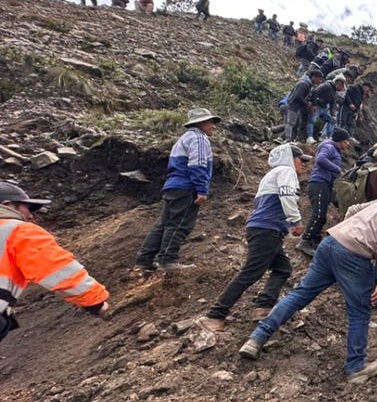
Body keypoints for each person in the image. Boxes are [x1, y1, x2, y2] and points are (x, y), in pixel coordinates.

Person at [238, 198, 377, 386]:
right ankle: (356, 367)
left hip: (330, 243)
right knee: (360, 310)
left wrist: (349, 232)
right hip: (353, 256)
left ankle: (256, 339)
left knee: (299, 294)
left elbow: (352, 209)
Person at [196, 144, 311, 332]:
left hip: (263, 228)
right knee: (251, 272)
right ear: (290, 159)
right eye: (301, 160)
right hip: (268, 229)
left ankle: (263, 307)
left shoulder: (270, 175)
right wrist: (295, 221)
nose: (303, 164)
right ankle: (215, 315)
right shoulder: (286, 171)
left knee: (282, 268)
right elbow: (287, 195)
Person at [0, 182, 112, 344]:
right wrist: (96, 303)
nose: (31, 216)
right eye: (28, 208)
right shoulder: (17, 230)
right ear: (6, 204)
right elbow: (57, 270)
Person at [133, 108, 219, 272]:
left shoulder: (183, 138)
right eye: (210, 122)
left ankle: (144, 260)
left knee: (163, 224)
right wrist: (202, 190)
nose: (213, 126)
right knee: (180, 224)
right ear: (201, 123)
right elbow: (198, 165)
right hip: (186, 187)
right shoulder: (199, 139)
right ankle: (168, 260)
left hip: (173, 186)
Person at [297, 128, 353, 257]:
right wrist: (337, 169)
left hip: (325, 184)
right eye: (346, 141)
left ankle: (315, 242)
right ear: (340, 140)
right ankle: (305, 241)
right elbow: (321, 159)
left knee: (322, 215)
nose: (348, 144)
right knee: (319, 215)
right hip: (319, 183)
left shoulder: (335, 150)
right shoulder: (329, 146)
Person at [284, 69, 322, 142]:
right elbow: (298, 96)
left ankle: (289, 138)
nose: (320, 81)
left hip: (299, 106)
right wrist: (307, 103)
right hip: (293, 105)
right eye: (319, 79)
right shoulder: (303, 84)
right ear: (314, 77)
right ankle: (287, 139)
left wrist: (313, 104)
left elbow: (313, 95)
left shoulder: (311, 86)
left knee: (295, 123)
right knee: (290, 123)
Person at [306, 73, 341, 143]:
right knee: (312, 120)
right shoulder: (326, 85)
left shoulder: (334, 92)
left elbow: (332, 104)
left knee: (332, 120)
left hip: (323, 108)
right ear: (339, 83)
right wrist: (314, 104)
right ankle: (309, 137)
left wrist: (333, 115)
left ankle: (328, 137)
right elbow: (315, 92)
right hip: (317, 105)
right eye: (342, 86)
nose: (342, 89)